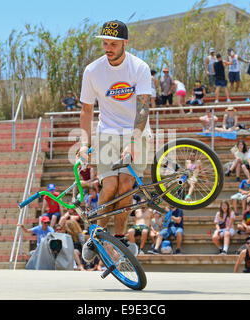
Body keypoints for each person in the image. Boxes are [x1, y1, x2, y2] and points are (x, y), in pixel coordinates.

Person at [78, 20, 151, 262]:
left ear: (125, 44)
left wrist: (133, 142)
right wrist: (83, 144)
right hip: (107, 133)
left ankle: (120, 237)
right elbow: (87, 110)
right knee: (109, 187)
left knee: (125, 185)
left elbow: (143, 108)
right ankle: (96, 235)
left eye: (113, 44)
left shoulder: (139, 67)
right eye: (105, 43)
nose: (108, 48)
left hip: (136, 131)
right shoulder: (93, 71)